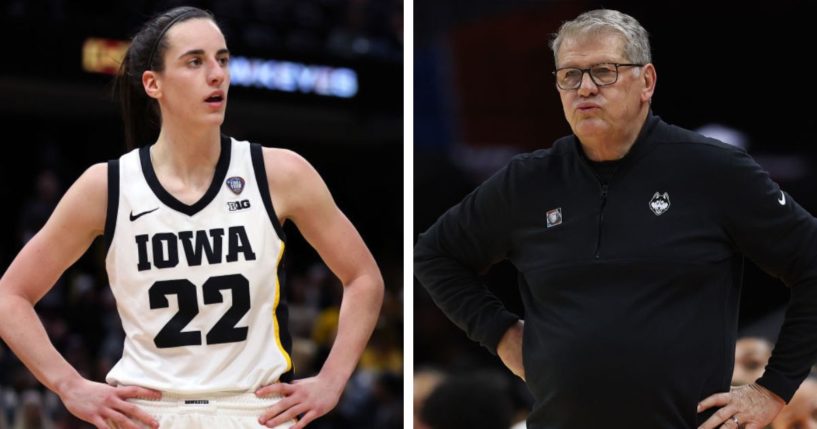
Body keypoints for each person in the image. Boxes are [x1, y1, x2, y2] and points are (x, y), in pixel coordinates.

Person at [414, 8, 817, 429]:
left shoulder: (713, 171)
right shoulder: (528, 181)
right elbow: (434, 254)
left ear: (646, 82)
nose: (584, 88)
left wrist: (773, 389)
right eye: (569, 75)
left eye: (603, 72)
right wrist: (498, 332)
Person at [0, 6, 383, 429]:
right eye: (195, 62)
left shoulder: (279, 173)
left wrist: (332, 380)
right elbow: (9, 296)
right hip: (149, 413)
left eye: (222, 59)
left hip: (256, 410)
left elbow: (364, 277)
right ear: (153, 83)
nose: (217, 74)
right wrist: (68, 385)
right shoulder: (107, 186)